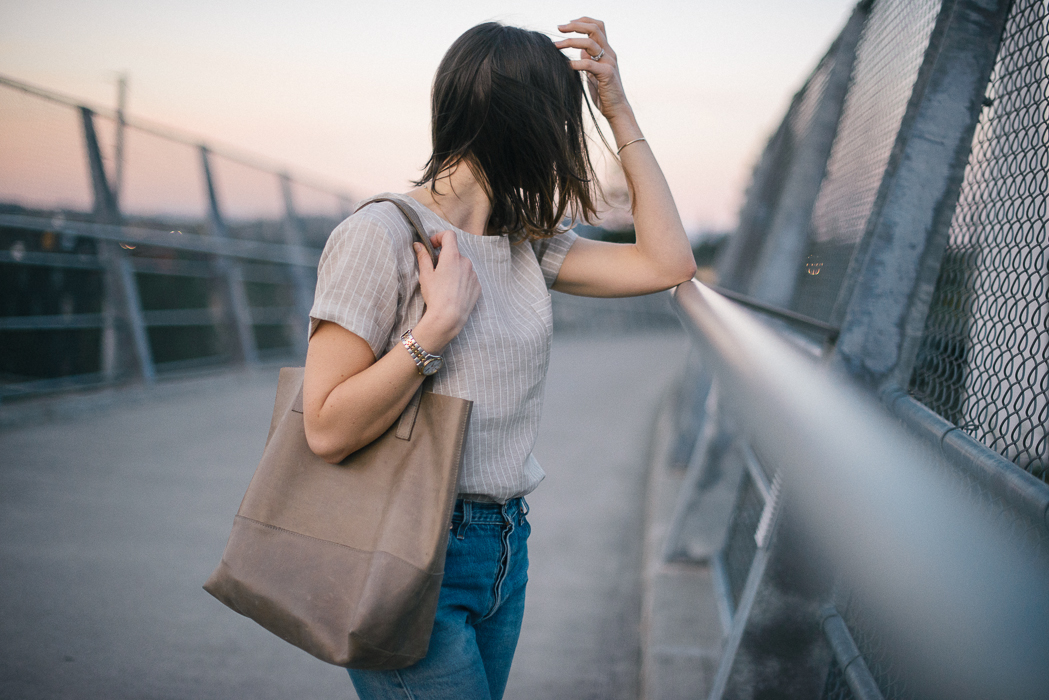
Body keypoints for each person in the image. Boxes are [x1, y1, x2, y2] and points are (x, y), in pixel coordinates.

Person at [302, 17, 696, 700]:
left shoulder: (526, 243)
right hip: (403, 543)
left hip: (502, 545)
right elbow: (326, 426)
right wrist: (438, 326)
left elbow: (667, 261)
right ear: (537, 126)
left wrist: (618, 108)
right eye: (567, 125)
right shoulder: (377, 235)